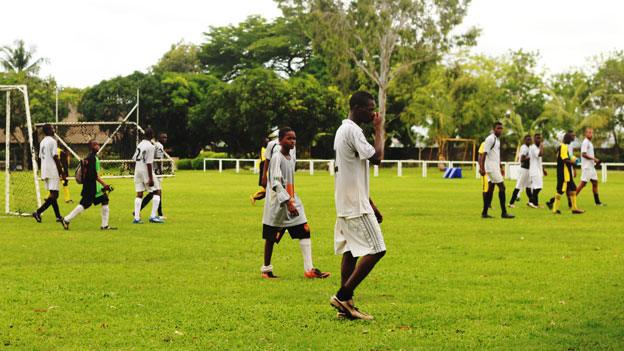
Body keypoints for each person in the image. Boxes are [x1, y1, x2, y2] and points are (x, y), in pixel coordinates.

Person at [330, 91, 386, 321]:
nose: (373, 112)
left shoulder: (343, 130)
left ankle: (347, 306)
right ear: (356, 107)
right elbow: (377, 158)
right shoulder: (353, 130)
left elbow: (352, 172)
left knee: (351, 250)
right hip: (354, 204)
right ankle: (343, 295)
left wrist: (371, 202)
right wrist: (379, 129)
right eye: (369, 108)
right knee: (377, 249)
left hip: (347, 200)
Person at [260, 127, 330, 280]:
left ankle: (309, 269)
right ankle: (266, 269)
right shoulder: (277, 157)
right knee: (271, 237)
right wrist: (287, 203)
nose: (292, 142)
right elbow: (276, 183)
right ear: (280, 141)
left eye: (294, 139)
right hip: (278, 204)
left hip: (292, 199)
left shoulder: (291, 155)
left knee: (304, 229)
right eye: (289, 139)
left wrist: (292, 201)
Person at [61, 140, 115, 230]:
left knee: (105, 199)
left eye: (98, 144)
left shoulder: (91, 157)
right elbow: (95, 176)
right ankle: (66, 219)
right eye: (95, 145)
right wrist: (105, 185)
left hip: (93, 186)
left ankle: (104, 225)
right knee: (85, 204)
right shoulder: (92, 158)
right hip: (90, 186)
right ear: (91, 147)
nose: (98, 146)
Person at [479, 121, 514, 219]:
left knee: (490, 190)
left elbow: (495, 155)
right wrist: (481, 168)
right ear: (494, 129)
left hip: (494, 167)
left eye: (501, 128)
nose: (500, 130)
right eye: (498, 128)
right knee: (502, 188)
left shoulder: (497, 140)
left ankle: (484, 212)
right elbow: (483, 154)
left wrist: (500, 166)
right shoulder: (490, 139)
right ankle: (504, 213)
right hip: (491, 168)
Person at [32, 124, 66, 223]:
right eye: (52, 128)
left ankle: (58, 216)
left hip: (45, 169)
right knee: (55, 195)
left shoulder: (42, 141)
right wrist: (61, 172)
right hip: (52, 170)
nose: (53, 129)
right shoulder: (52, 141)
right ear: (48, 130)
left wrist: (41, 170)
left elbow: (39, 158)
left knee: (52, 194)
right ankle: (38, 212)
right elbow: (56, 157)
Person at [548, 131, 584, 214]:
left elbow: (565, 158)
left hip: (566, 172)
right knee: (560, 190)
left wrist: (573, 158)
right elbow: (565, 160)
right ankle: (555, 209)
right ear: (567, 138)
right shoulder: (563, 147)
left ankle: (574, 208)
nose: (573, 138)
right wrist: (574, 163)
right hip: (563, 173)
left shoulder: (563, 146)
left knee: (573, 189)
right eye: (572, 137)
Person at [132, 128, 163, 224]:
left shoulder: (140, 144)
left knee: (139, 193)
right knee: (157, 191)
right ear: (152, 135)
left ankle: (137, 218)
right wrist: (150, 178)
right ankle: (153, 216)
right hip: (146, 170)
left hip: (137, 170)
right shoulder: (150, 146)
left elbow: (134, 158)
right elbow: (149, 163)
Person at [139, 132, 167, 219]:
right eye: (163, 137)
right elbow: (158, 159)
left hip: (153, 171)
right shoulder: (159, 146)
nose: (165, 139)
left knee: (158, 192)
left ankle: (160, 214)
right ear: (159, 138)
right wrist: (160, 170)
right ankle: (139, 210)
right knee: (155, 192)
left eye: (166, 137)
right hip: (156, 172)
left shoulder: (154, 145)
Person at [576, 128, 605, 206]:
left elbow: (590, 154)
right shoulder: (585, 142)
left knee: (595, 183)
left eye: (592, 133)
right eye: (589, 133)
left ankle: (597, 202)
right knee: (582, 184)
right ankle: (572, 201)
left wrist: (595, 162)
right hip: (587, 167)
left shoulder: (590, 143)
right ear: (585, 134)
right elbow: (583, 154)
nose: (591, 134)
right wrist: (594, 159)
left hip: (591, 167)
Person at [509, 135, 533, 208]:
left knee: (529, 187)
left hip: (528, 170)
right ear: (524, 140)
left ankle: (531, 202)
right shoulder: (524, 147)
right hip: (524, 169)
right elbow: (522, 159)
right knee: (518, 186)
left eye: (530, 140)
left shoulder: (529, 147)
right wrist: (530, 157)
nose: (529, 141)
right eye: (528, 140)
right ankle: (511, 203)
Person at [528, 133, 547, 207]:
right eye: (537, 138)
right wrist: (542, 147)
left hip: (538, 170)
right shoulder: (533, 147)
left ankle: (535, 203)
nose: (539, 139)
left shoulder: (537, 147)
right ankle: (531, 201)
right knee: (539, 187)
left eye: (540, 138)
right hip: (534, 170)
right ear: (534, 139)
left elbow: (539, 160)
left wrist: (543, 169)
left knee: (536, 187)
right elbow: (540, 154)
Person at [250, 138, 270, 205]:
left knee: (268, 190)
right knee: (268, 189)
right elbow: (265, 162)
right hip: (264, 171)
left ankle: (254, 197)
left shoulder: (265, 150)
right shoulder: (264, 150)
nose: (268, 142)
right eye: (267, 142)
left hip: (265, 170)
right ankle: (254, 196)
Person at [477, 141, 492, 214]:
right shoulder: (484, 143)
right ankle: (485, 206)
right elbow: (480, 155)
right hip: (485, 170)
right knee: (486, 188)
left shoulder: (496, 144)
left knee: (491, 188)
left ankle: (488, 204)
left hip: (492, 170)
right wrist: (481, 168)